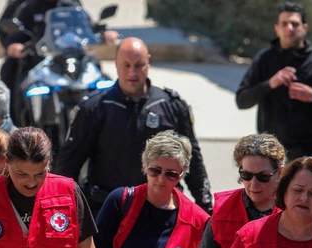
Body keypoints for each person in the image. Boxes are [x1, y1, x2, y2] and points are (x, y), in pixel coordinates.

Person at [57, 37, 213, 215]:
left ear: (148, 62)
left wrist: (205, 207)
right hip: (108, 211)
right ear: (116, 64)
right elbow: (68, 167)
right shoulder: (94, 108)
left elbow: (193, 160)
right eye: (126, 65)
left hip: (161, 211)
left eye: (139, 65)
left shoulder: (171, 105)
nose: (133, 72)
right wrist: (64, 211)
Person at [235, 2, 312, 160]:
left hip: (308, 150)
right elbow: (242, 100)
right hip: (269, 150)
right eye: (284, 24)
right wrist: (271, 83)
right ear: (277, 28)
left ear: (305, 28)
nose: (289, 28)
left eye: (295, 24)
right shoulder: (264, 59)